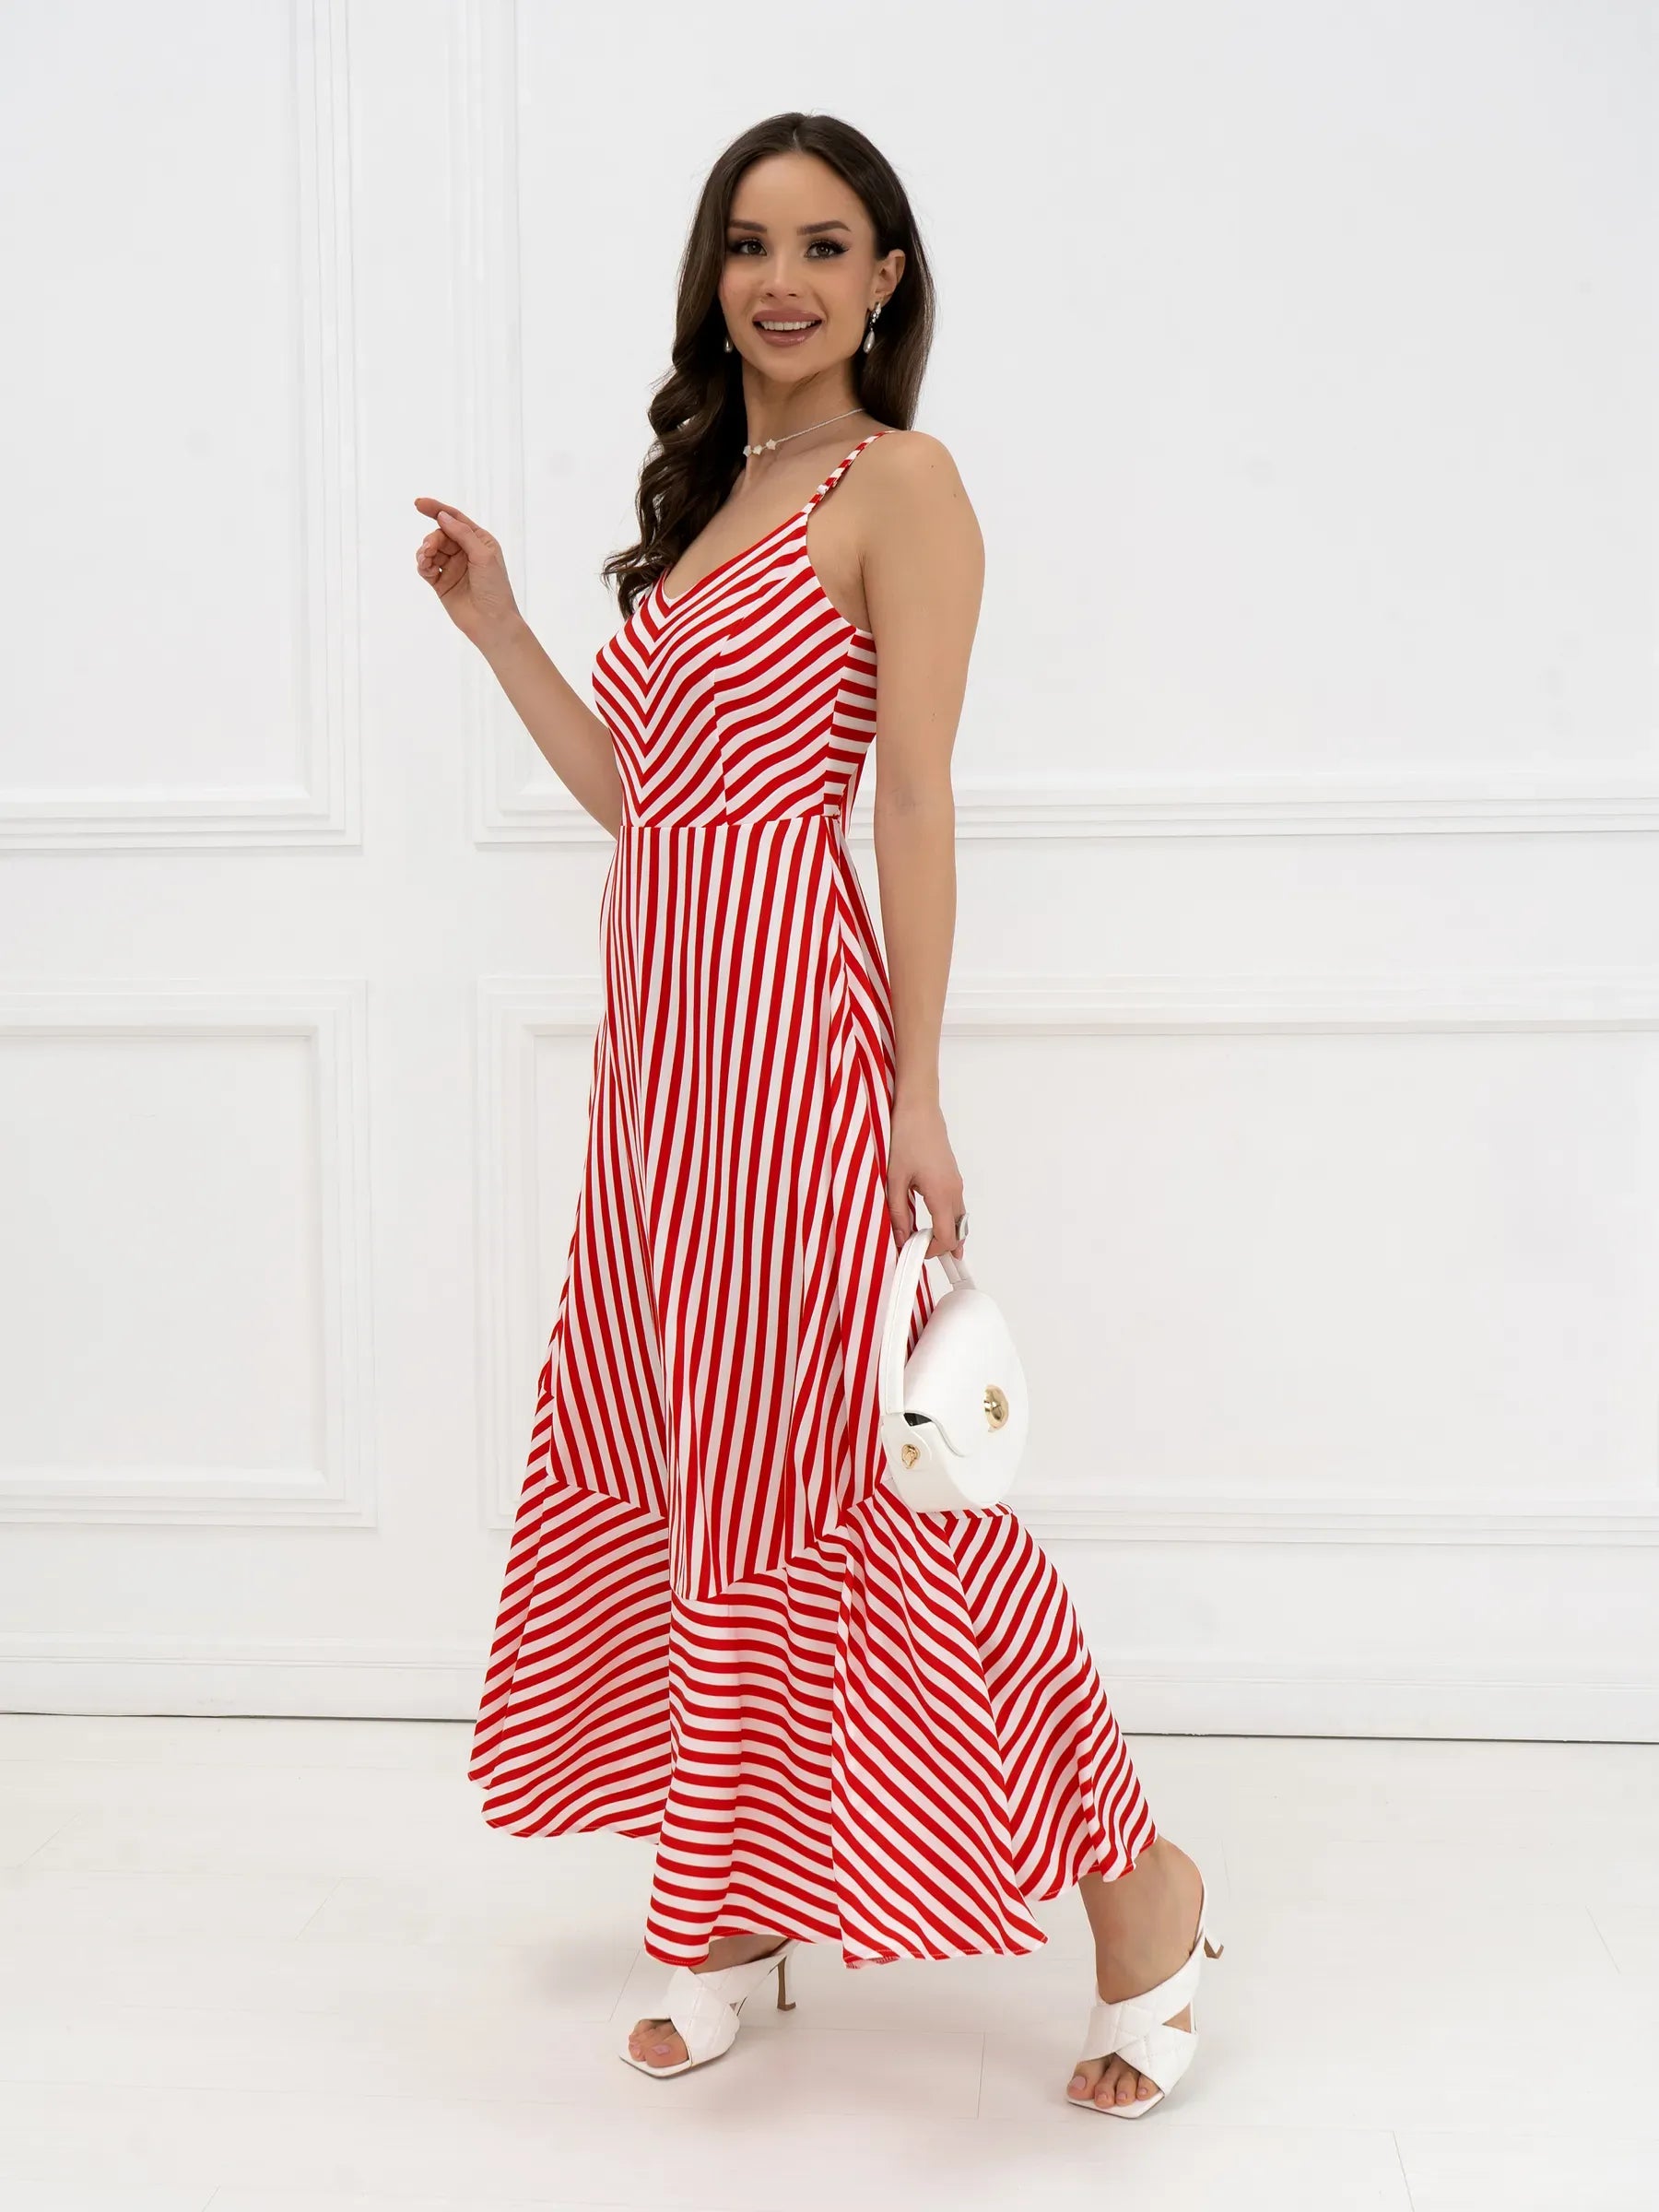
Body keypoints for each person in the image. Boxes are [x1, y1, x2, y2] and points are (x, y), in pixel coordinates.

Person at [416, 109, 1222, 2119]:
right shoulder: (720, 490)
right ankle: (733, 1893)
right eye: (751, 241)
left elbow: (913, 797)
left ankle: (1144, 1895)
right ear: (718, 276)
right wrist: (505, 624)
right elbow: (646, 801)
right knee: (693, 1459)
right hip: (658, 1059)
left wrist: (921, 1087)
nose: (781, 275)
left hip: (796, 1041)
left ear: (883, 281)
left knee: (860, 1481)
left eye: (826, 243)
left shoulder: (900, 483)